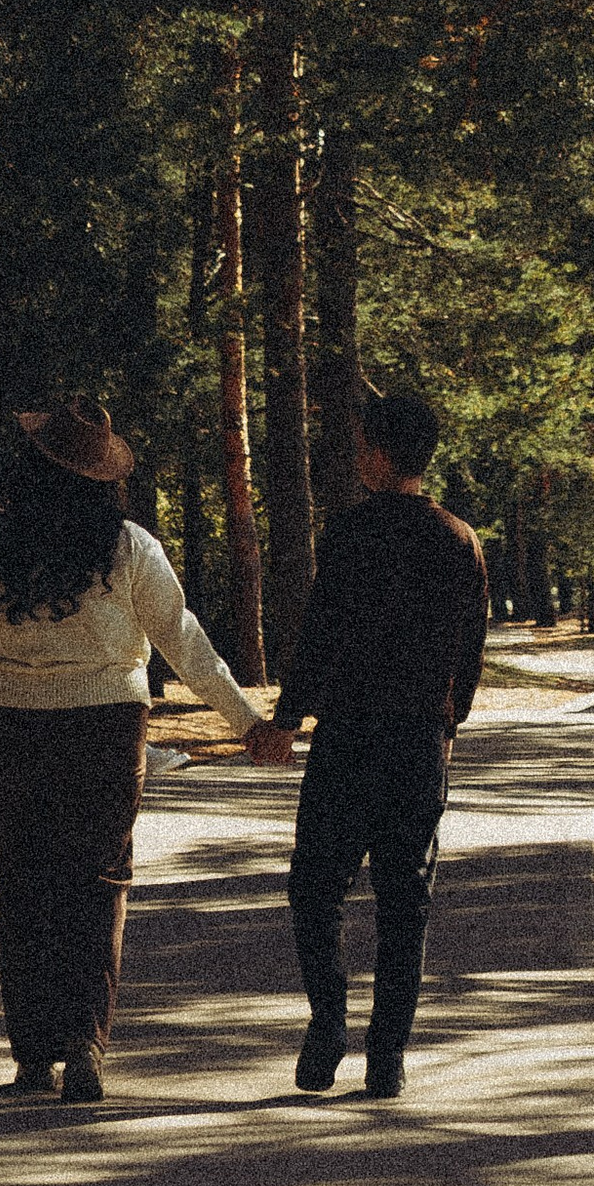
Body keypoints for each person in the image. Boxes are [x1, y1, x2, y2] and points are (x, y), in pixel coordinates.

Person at [0, 385, 270, 1103]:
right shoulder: (130, 547)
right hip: (107, 729)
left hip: (14, 727)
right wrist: (246, 720)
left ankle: (30, 1054)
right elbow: (184, 642)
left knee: (24, 886)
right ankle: (84, 1045)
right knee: (99, 883)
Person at [246, 384, 491, 1100]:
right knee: (403, 899)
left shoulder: (350, 536)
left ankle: (328, 1026)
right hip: (418, 744)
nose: (356, 457)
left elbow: (320, 638)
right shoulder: (459, 539)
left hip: (349, 740)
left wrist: (287, 720)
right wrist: (450, 722)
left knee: (316, 886)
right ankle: (388, 1057)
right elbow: (469, 653)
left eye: (361, 446)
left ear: (381, 455)